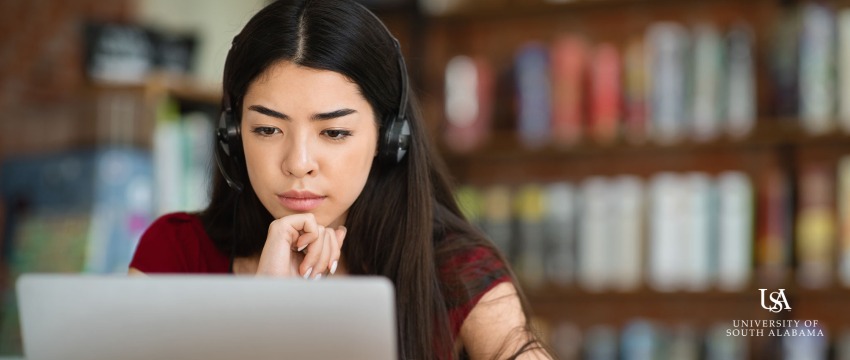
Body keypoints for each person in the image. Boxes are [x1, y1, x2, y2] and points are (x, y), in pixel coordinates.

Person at [129, 0, 552, 358]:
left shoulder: (454, 269)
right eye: (267, 129)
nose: (298, 163)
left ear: (389, 140)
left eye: (333, 132)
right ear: (233, 136)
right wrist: (261, 313)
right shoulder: (175, 254)